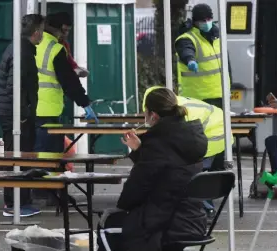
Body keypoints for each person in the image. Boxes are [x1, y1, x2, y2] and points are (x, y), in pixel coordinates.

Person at [97, 88, 208, 251]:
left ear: (153, 115)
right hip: (194, 220)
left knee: (107, 225)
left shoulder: (157, 143)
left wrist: (121, 208)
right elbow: (167, 168)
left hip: (165, 223)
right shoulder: (189, 138)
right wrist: (140, 150)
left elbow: (136, 187)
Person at [142, 86, 234, 218]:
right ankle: (200, 207)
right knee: (189, 170)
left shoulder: (183, 115)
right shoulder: (172, 106)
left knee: (191, 172)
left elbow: (173, 143)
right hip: (213, 129)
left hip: (215, 133)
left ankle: (204, 207)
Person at [175, 3, 232, 177]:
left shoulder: (217, 37)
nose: (206, 22)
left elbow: (225, 66)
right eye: (203, 20)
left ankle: (217, 172)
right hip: (198, 99)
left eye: (209, 19)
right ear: (196, 21)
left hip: (220, 96)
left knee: (222, 137)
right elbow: (186, 51)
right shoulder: (187, 38)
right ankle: (201, 174)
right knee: (201, 140)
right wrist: (190, 60)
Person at [0, 14, 44, 217]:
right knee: (18, 157)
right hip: (14, 114)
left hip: (11, 111)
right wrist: (23, 114)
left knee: (18, 157)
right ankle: (13, 204)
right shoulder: (23, 52)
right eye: (42, 29)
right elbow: (14, 87)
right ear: (36, 33)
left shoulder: (18, 48)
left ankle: (19, 201)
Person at [34, 12, 98, 153]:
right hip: (48, 110)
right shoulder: (55, 49)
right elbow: (69, 81)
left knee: (34, 153)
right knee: (50, 154)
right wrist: (85, 103)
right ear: (57, 28)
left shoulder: (33, 44)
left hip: (28, 109)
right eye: (66, 30)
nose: (67, 34)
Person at [56, 13, 89, 78]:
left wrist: (77, 68)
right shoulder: (48, 43)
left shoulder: (64, 44)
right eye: (64, 30)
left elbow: (69, 59)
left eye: (68, 31)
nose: (66, 33)